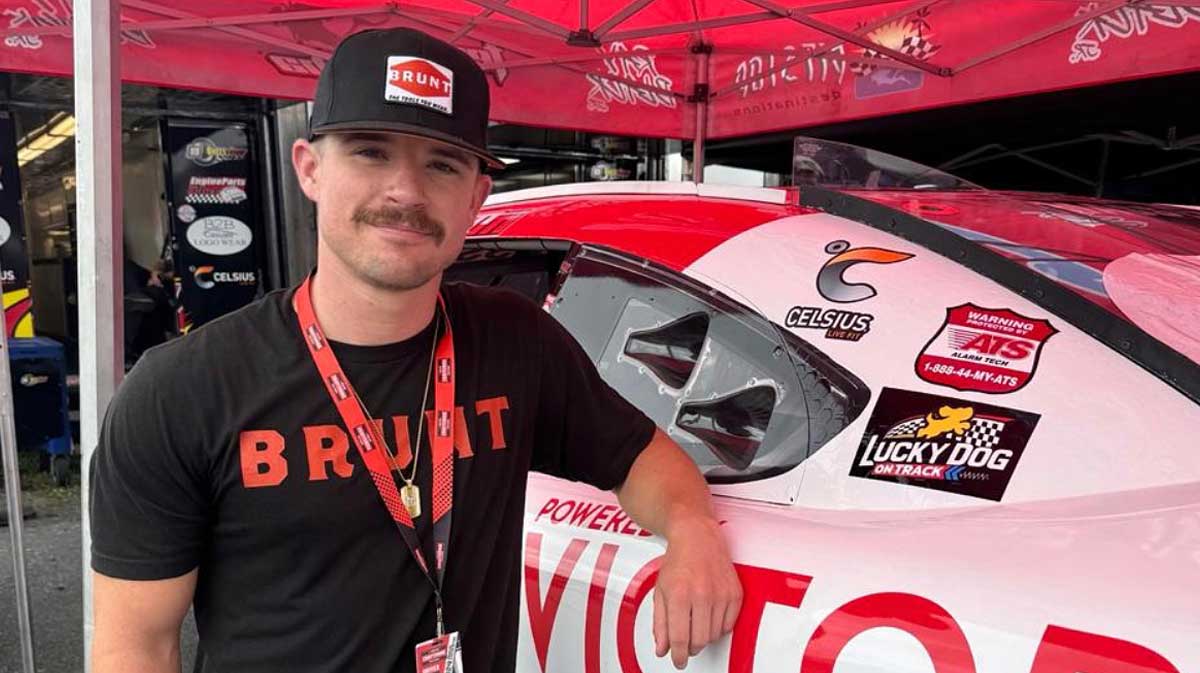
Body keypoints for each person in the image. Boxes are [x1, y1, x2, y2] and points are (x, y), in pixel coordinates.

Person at [90, 27, 741, 673]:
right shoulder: (182, 391)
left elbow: (641, 457)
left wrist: (691, 529)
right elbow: (135, 647)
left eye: (443, 164)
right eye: (371, 152)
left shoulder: (516, 343)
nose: (406, 191)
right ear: (310, 169)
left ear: (477, 196)